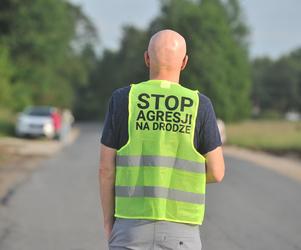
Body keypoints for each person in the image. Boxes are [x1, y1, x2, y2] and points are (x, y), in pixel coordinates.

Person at [100, 29, 225, 250]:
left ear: (147, 58)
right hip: (182, 232)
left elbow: (106, 170)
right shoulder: (200, 105)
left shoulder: (123, 99)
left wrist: (109, 223)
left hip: (130, 226)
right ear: (185, 62)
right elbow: (217, 172)